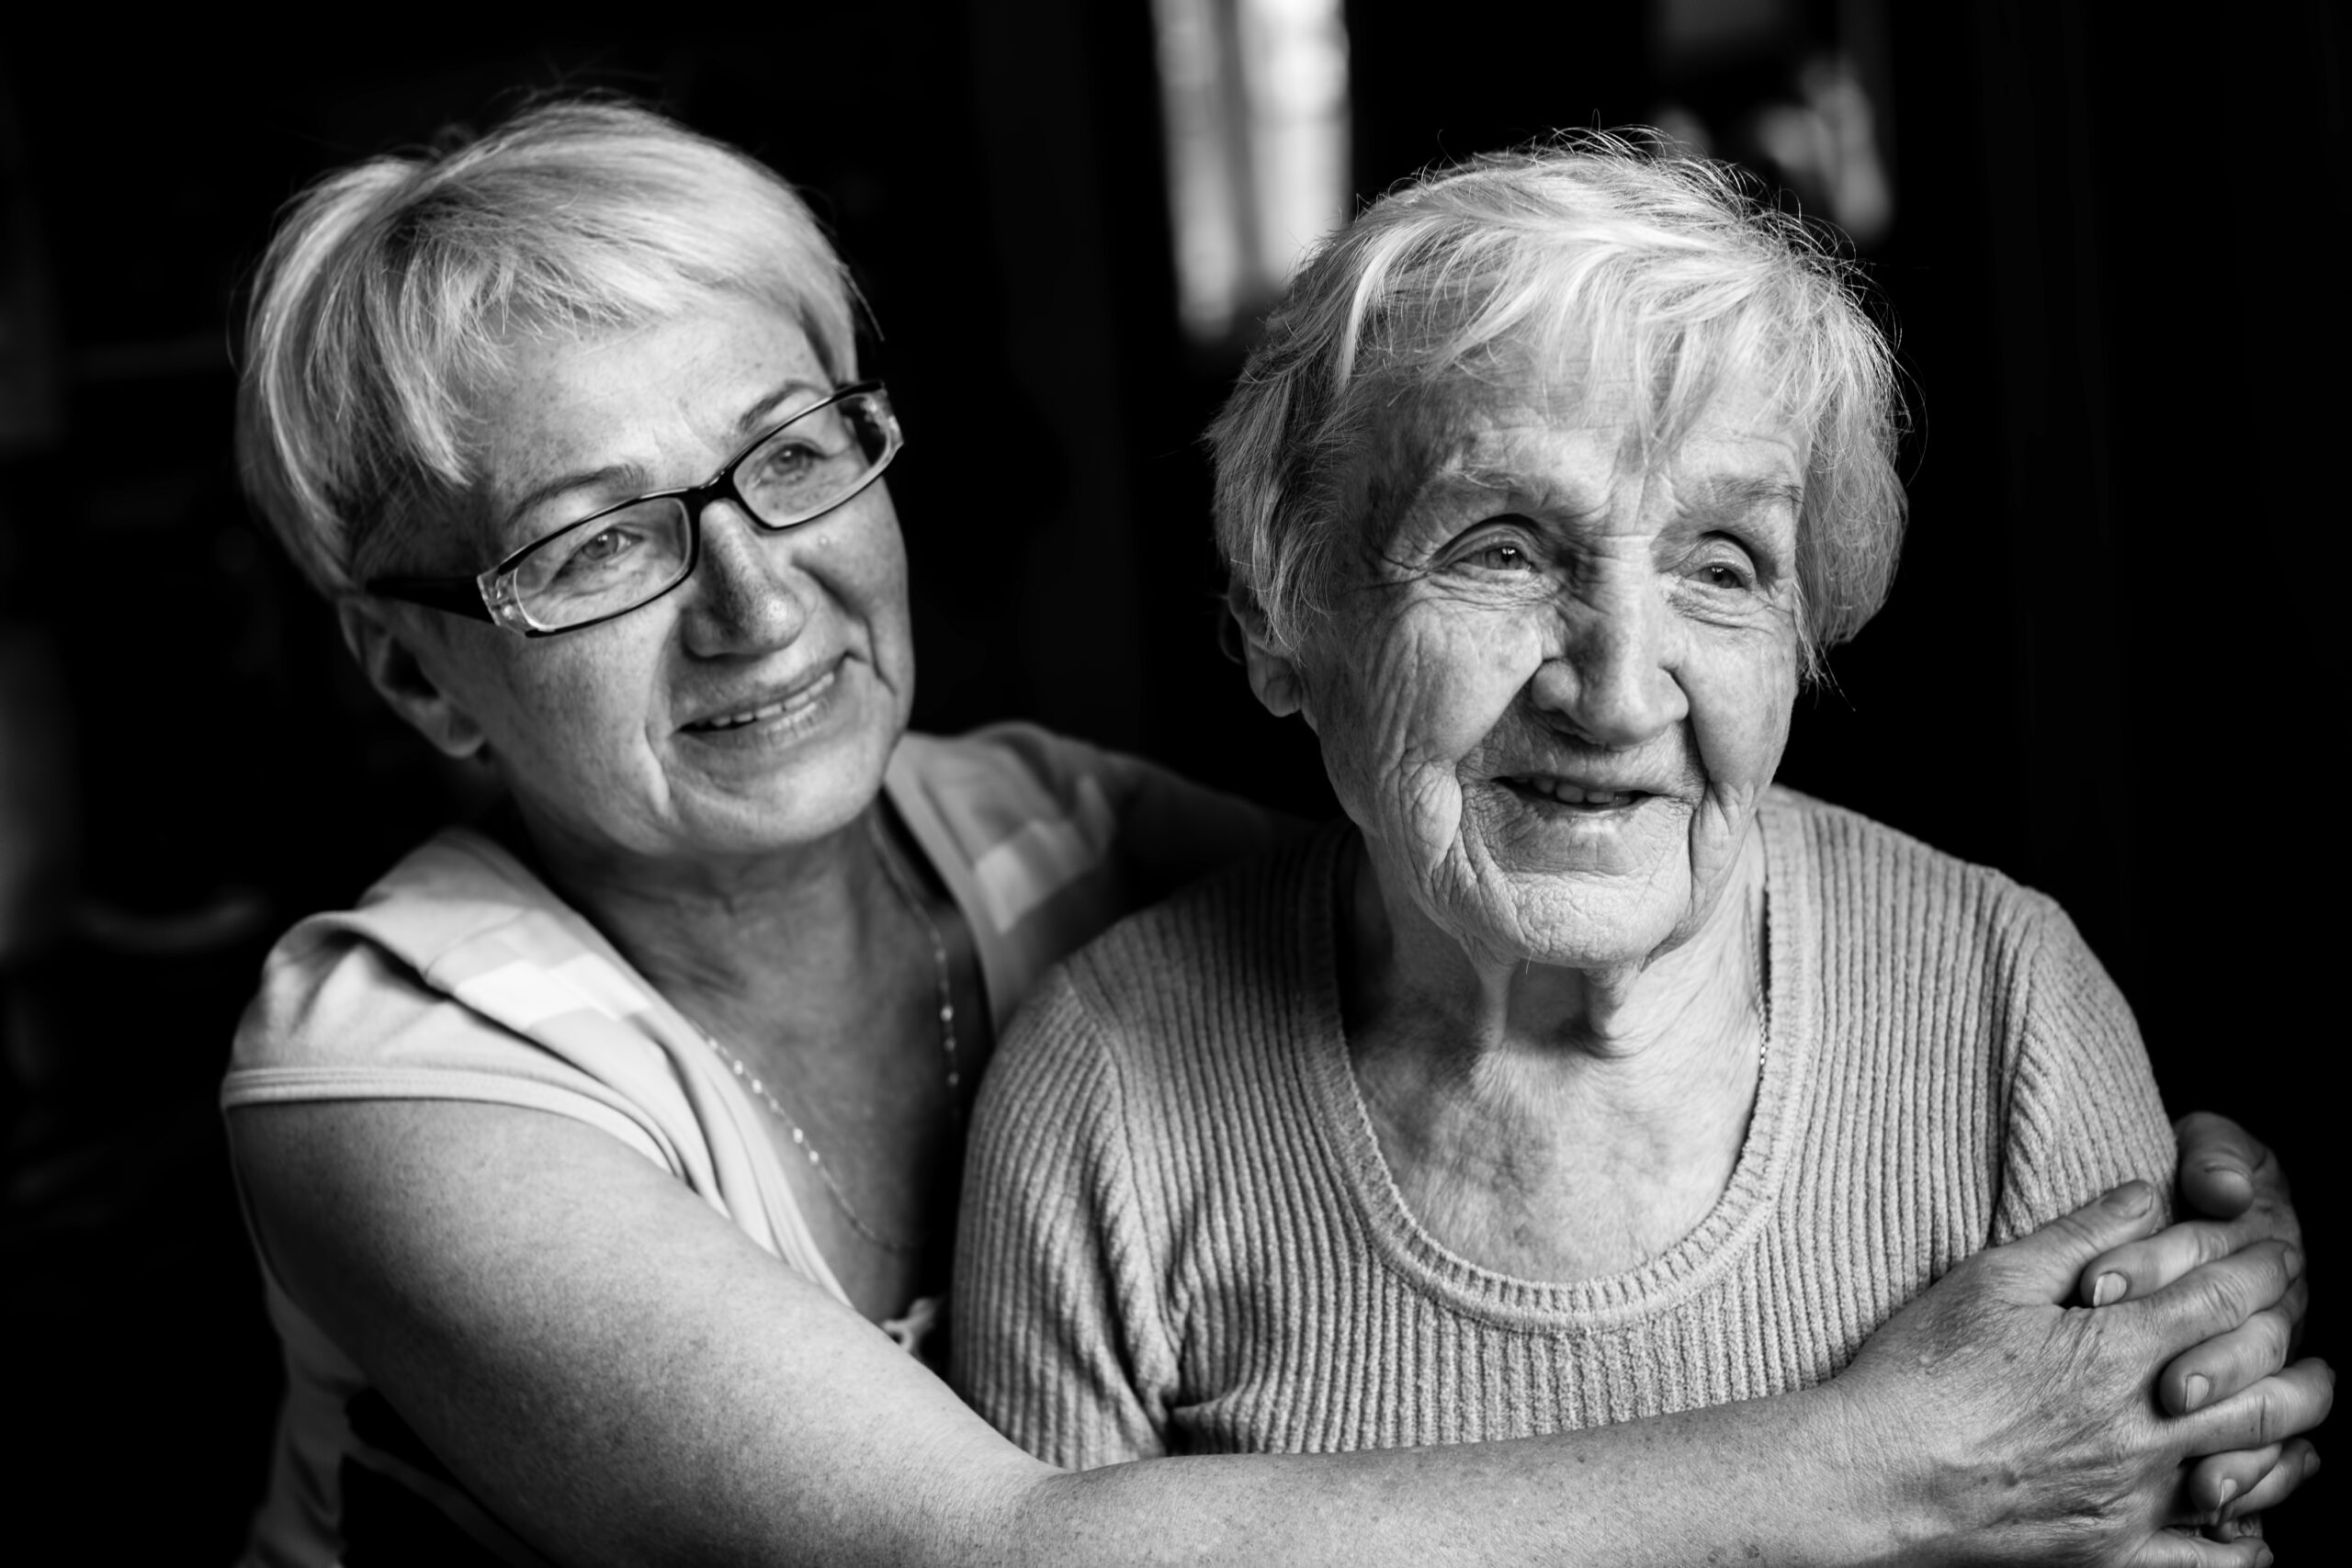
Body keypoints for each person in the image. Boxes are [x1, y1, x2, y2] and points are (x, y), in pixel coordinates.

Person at [223, 100, 2322, 1567]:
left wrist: (2190, 1271)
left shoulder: (1043, 832)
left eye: (790, 455)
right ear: (418, 674)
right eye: (594, 543)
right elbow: (984, 1555)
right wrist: (1900, 1460)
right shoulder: (384, 1078)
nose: (756, 601)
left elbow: (1479, 848)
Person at [954, 141, 2331, 1546]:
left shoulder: (2003, 1006)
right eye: (1501, 547)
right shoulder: (1107, 1100)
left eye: (1721, 567)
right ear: (1281, 619)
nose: (1616, 695)